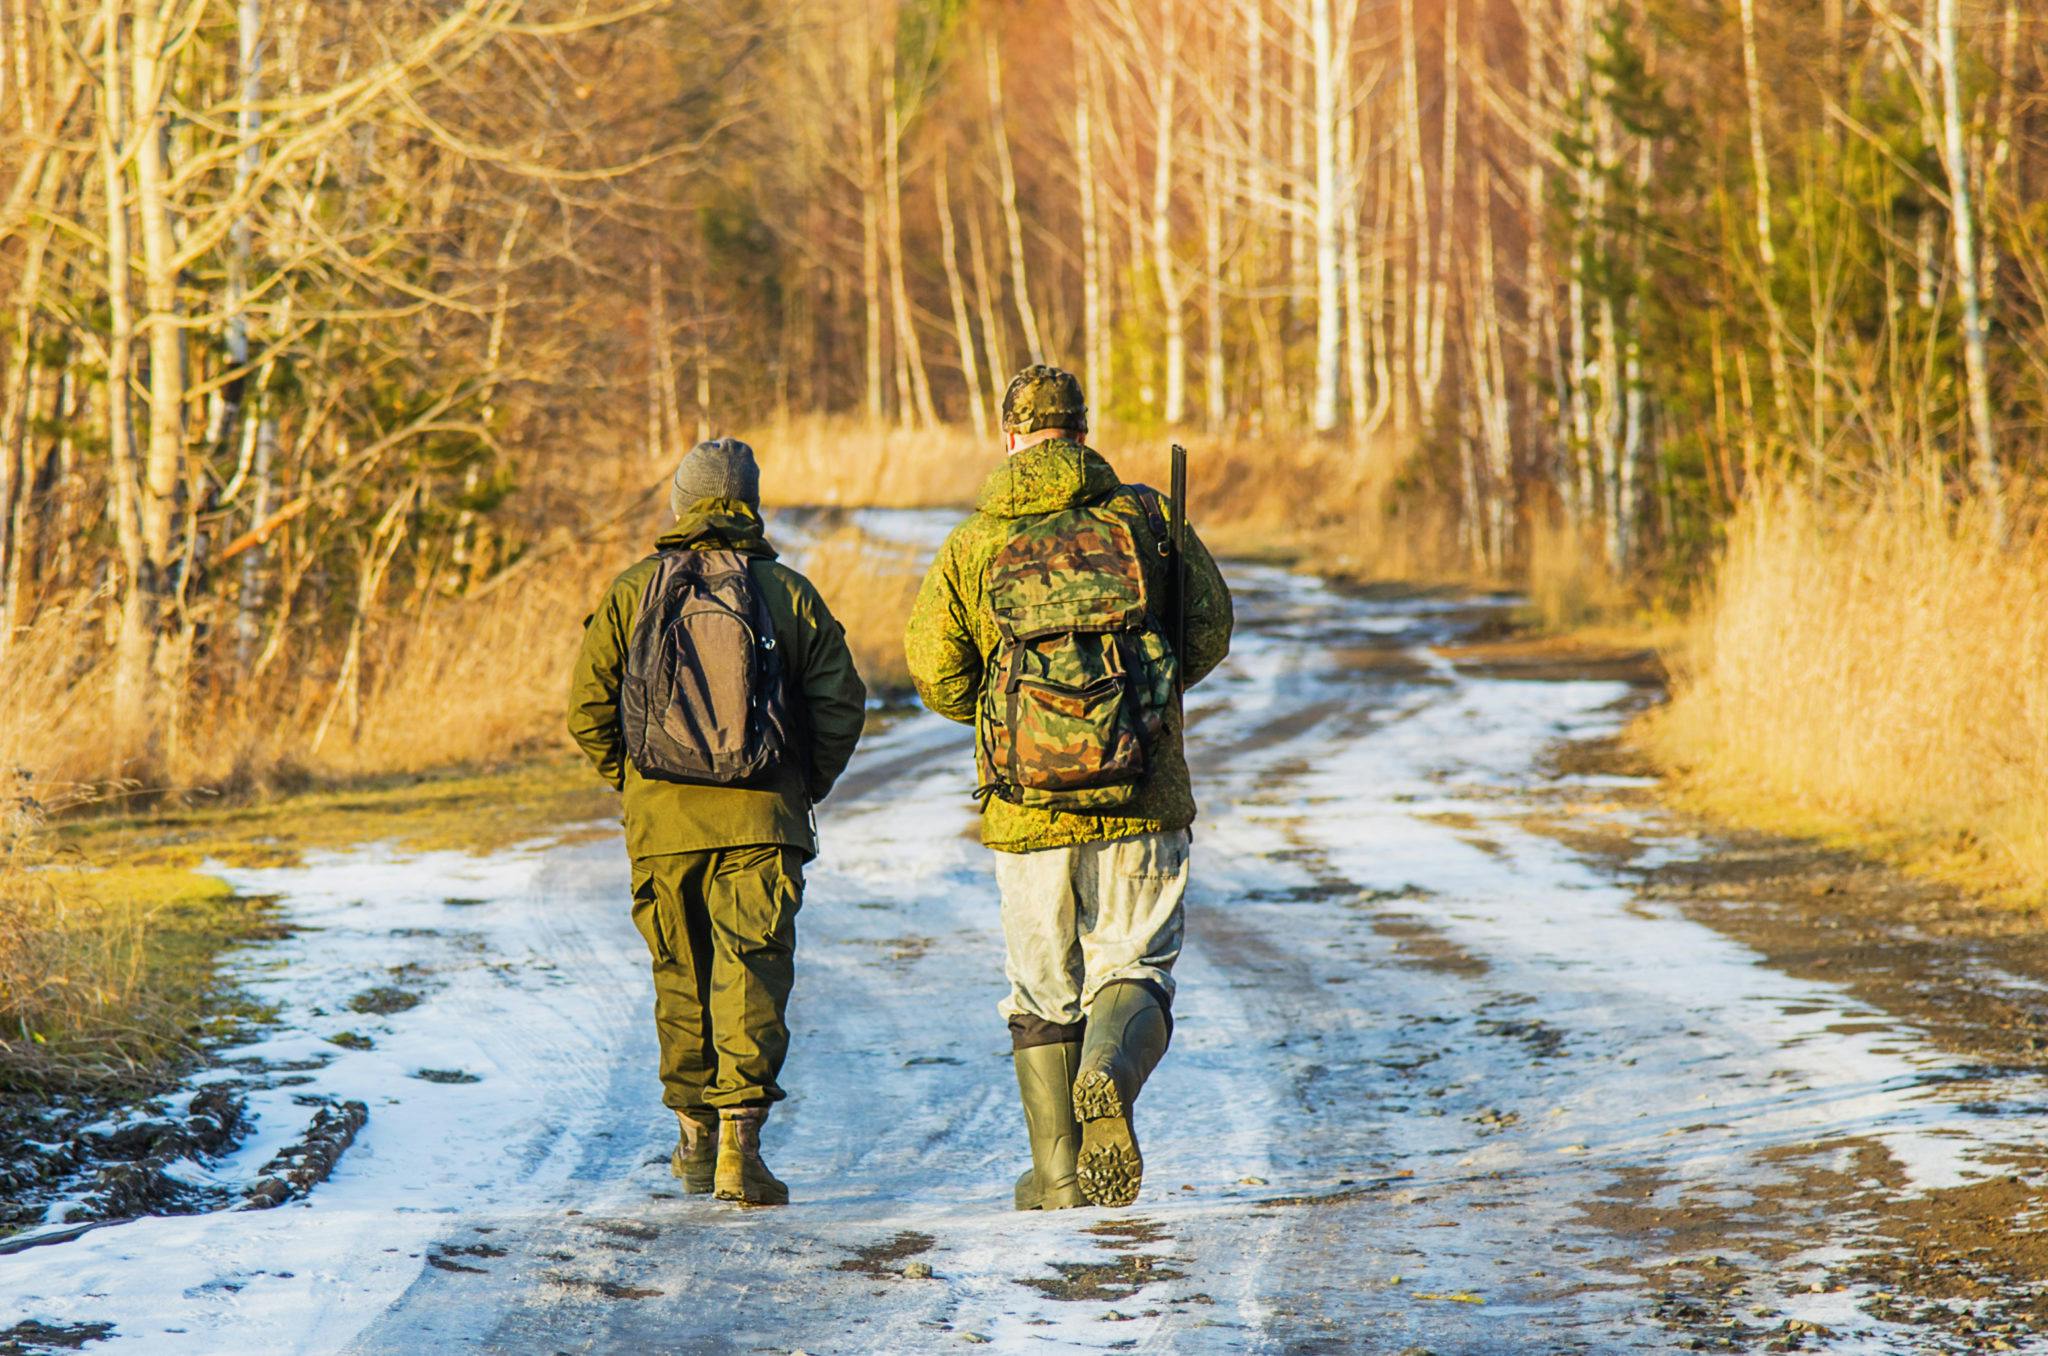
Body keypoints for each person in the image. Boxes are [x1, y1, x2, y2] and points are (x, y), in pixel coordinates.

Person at [905, 366, 1233, 1209]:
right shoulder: (1147, 517)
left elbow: (936, 672)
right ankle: (1108, 1074)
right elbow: (1209, 629)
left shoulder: (974, 542)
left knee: (1041, 991)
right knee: (1136, 964)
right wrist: (1140, 708)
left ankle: (1057, 1175)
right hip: (1142, 793)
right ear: (1083, 435)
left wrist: (1018, 724)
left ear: (1009, 436)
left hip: (1025, 807)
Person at [567, 438, 865, 1206]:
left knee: (680, 974)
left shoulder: (633, 591)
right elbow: (841, 703)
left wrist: (638, 785)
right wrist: (801, 787)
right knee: (751, 973)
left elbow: (588, 709)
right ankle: (741, 1150)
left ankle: (695, 1144)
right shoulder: (788, 591)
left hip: (663, 825)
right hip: (763, 820)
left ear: (681, 503)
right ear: (752, 503)